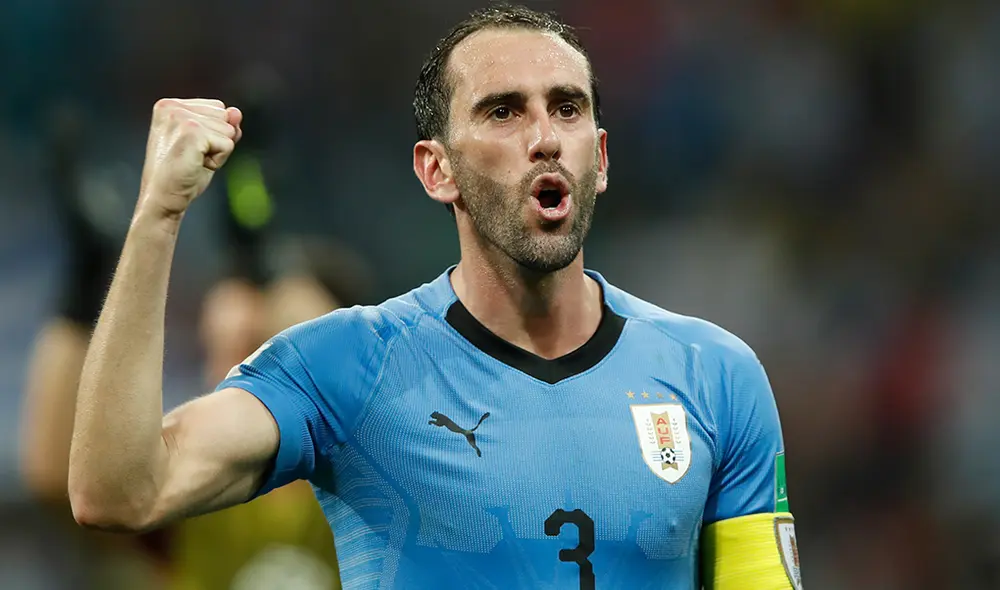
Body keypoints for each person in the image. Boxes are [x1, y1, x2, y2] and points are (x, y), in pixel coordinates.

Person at [67, 4, 802, 589]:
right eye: (504, 111)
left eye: (568, 108)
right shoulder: (349, 365)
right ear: (436, 171)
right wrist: (158, 216)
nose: (545, 137)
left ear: (600, 160)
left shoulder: (714, 373)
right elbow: (119, 492)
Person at [19, 99, 345, 589]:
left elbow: (328, 345)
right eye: (222, 350)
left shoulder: (376, 481)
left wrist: (260, 253)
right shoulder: (204, 494)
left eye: (255, 346)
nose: (235, 375)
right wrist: (84, 289)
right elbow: (56, 473)